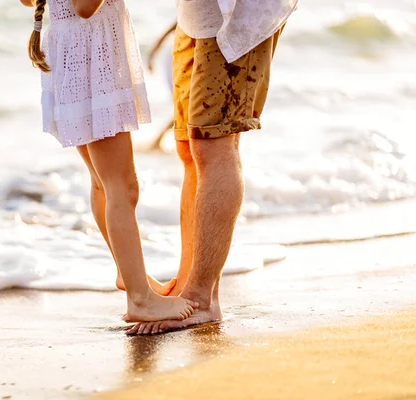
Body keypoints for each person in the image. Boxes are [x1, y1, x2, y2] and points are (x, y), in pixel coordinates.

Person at [19, 0, 198, 321]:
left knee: (104, 182)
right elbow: (86, 7)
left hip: (74, 55)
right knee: (122, 187)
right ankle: (140, 300)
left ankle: (130, 276)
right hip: (91, 63)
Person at [128, 0, 298, 335]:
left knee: (213, 143)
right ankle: (186, 289)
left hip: (237, 16)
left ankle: (202, 298)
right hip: (197, 13)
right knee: (189, 146)